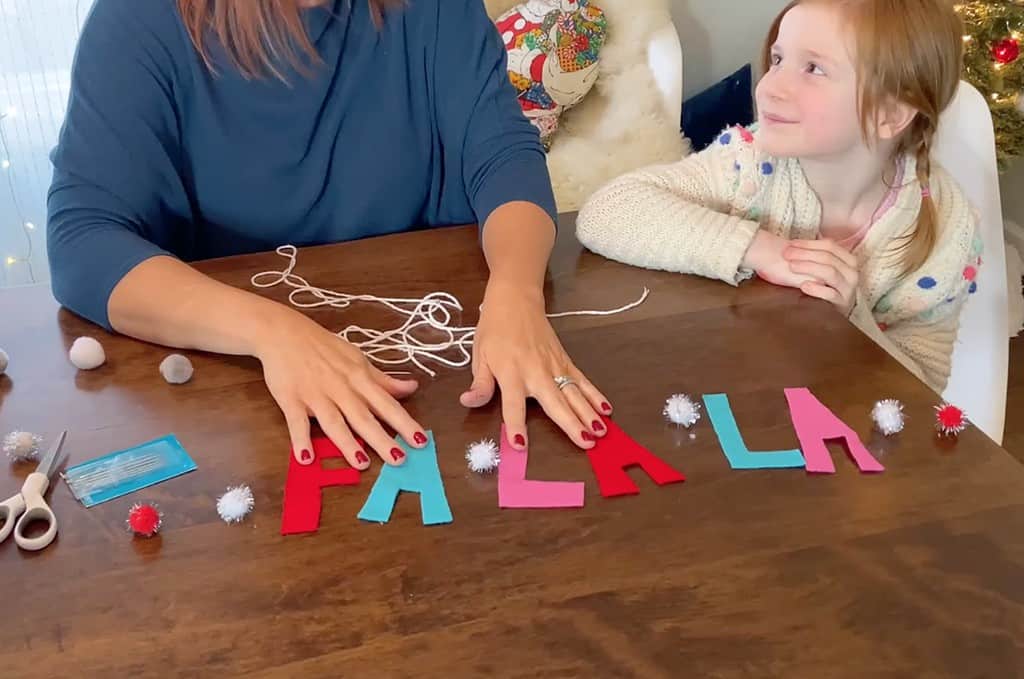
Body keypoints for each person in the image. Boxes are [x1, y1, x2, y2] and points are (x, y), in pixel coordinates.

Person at [48, 0, 613, 469]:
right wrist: (272, 332)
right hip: (241, 398)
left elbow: (503, 154)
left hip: (439, 373)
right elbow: (84, 238)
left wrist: (516, 292)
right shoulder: (138, 21)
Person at [577, 0, 981, 394]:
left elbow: (921, 392)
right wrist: (762, 249)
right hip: (737, 393)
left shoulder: (946, 227)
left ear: (890, 114)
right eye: (776, 59)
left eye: (813, 68)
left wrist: (850, 319)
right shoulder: (749, 165)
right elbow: (607, 210)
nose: (768, 87)